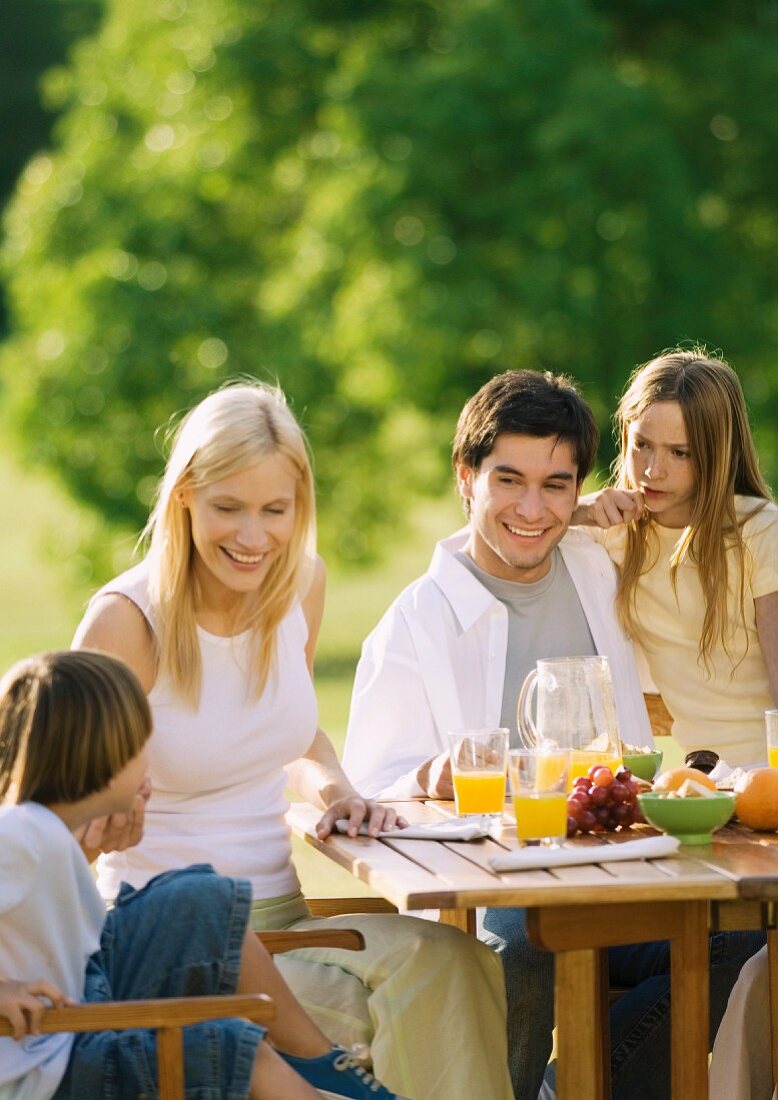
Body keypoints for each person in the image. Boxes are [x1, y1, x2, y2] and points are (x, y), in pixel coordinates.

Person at [72, 381, 513, 1100]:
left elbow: (293, 729)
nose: (253, 538)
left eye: (275, 511)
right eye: (228, 508)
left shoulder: (299, 587)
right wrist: (105, 817)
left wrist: (339, 791)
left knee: (458, 960)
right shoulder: (128, 623)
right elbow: (48, 822)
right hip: (166, 940)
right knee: (400, 1001)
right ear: (184, 495)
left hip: (284, 917)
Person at [342, 367, 764, 1100]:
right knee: (525, 951)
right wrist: (428, 778)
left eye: (556, 485)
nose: (532, 510)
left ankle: (570, 1088)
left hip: (627, 871)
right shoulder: (416, 626)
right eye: (509, 480)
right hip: (506, 882)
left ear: (578, 491)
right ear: (465, 477)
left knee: (744, 943)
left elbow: (700, 544)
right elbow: (374, 789)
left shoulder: (598, 561)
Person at [0, 649, 407, 1100]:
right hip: (56, 1063)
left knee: (196, 899)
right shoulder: (20, 834)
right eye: (140, 746)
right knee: (230, 1046)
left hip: (83, 1007)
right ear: (103, 752)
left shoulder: (46, 833)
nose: (149, 766)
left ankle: (323, 1065)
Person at [575, 347, 778, 766]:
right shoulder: (615, 533)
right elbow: (497, 542)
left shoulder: (761, 532)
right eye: (642, 444)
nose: (653, 470)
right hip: (701, 784)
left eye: (679, 452)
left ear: (716, 454)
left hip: (767, 781)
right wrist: (578, 510)